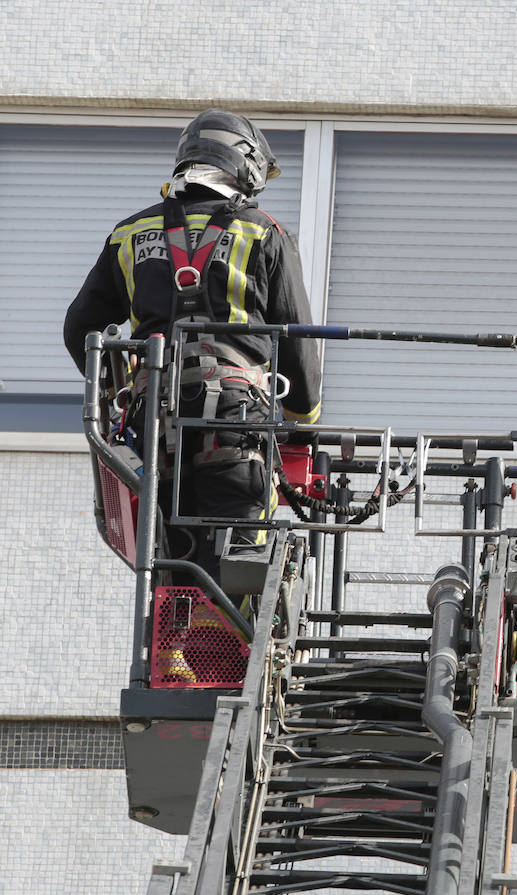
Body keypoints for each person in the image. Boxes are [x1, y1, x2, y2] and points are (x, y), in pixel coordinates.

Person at [63, 109, 322, 617]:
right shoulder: (264, 232)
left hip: (153, 426)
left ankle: (173, 652)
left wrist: (120, 391)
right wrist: (303, 424)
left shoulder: (129, 234)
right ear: (243, 165)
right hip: (235, 424)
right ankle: (230, 654)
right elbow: (296, 343)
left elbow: (80, 330)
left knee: (168, 550)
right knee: (240, 548)